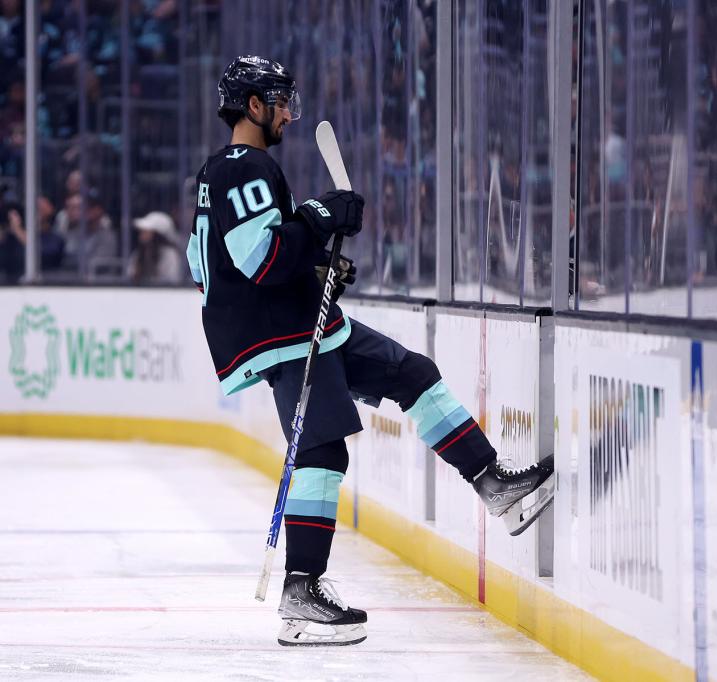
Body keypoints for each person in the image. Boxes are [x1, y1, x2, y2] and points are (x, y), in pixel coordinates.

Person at [186, 56, 554, 647]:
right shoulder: (243, 166)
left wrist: (317, 258)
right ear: (252, 106)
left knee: (412, 373)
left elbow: (221, 258)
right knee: (321, 451)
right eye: (277, 100)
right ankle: (302, 590)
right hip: (284, 336)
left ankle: (494, 486)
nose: (285, 111)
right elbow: (259, 259)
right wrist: (315, 217)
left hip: (305, 321)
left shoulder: (225, 171)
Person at [127, 211, 182, 284]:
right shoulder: (137, 254)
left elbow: (171, 282)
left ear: (158, 234)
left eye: (147, 231)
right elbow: (130, 277)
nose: (142, 233)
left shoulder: (170, 255)